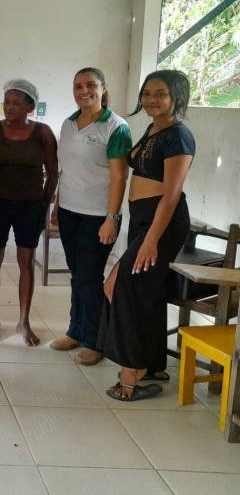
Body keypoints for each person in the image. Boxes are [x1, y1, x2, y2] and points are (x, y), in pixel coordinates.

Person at [100, 70, 194, 401]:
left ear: (177, 97)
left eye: (161, 93)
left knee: (123, 286)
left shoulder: (179, 136)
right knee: (147, 289)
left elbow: (171, 194)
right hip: (143, 220)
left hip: (162, 223)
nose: (151, 99)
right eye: (147, 93)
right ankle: (153, 364)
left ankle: (132, 376)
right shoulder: (154, 128)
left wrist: (152, 239)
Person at [50, 68, 132, 365]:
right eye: (78, 86)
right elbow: (65, 169)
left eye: (90, 85)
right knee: (77, 275)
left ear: (103, 88)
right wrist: (58, 205)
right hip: (70, 211)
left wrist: (112, 217)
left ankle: (96, 340)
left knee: (89, 277)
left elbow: (119, 177)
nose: (84, 91)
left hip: (98, 215)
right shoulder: (69, 123)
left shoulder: (115, 127)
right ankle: (76, 330)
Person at [0, 79, 58, 346]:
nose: (9, 107)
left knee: (26, 260)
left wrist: (44, 204)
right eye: (7, 102)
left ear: (30, 107)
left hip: (30, 206)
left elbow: (53, 173)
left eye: (16, 103)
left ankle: (23, 321)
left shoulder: (43, 133)